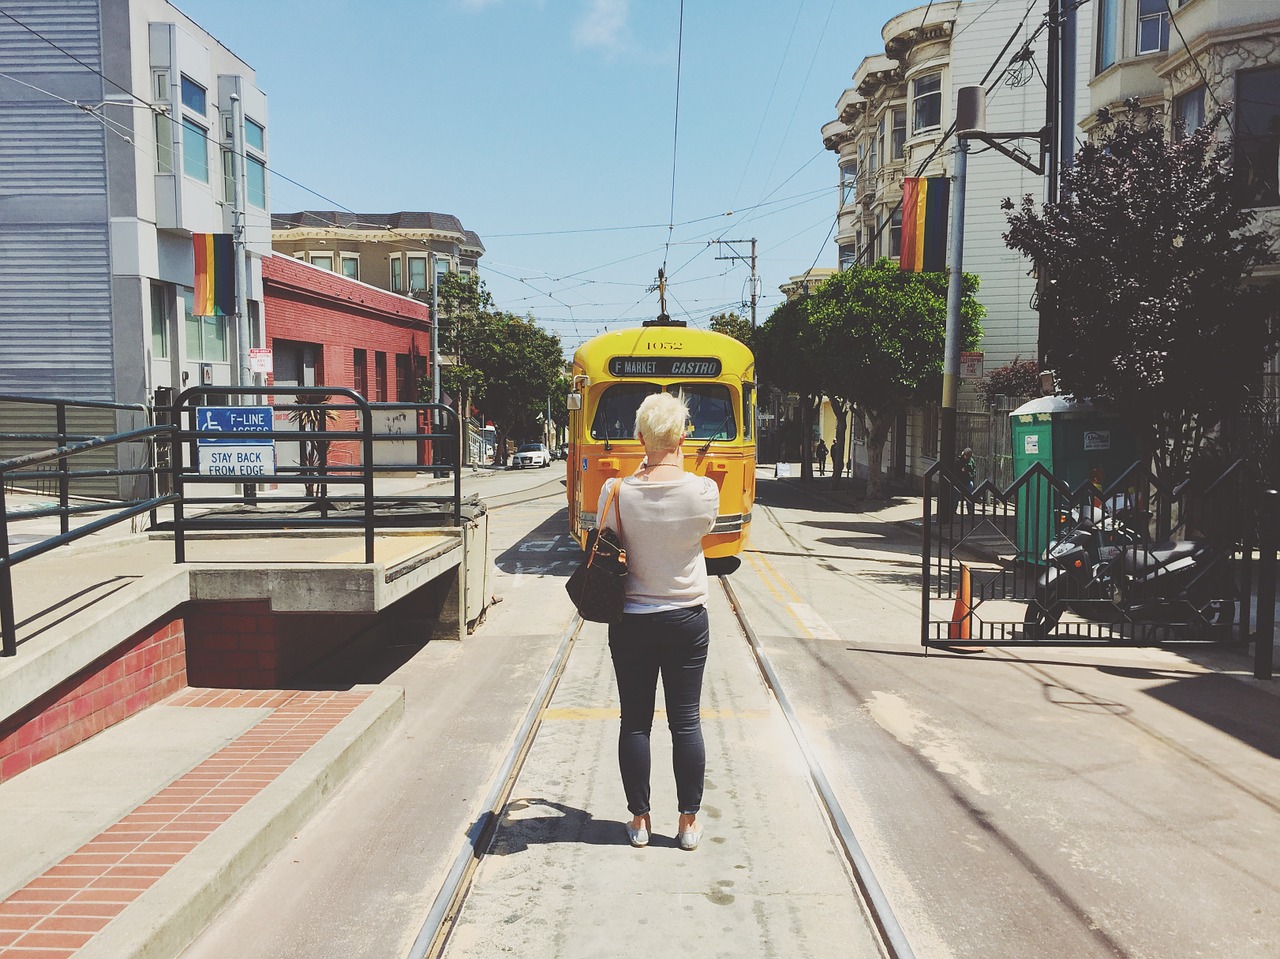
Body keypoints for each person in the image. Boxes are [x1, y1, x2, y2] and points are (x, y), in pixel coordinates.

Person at [597, 392, 719, 852]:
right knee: (685, 722)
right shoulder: (703, 491)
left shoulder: (617, 491)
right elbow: (702, 530)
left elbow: (605, 542)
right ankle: (687, 825)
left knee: (635, 722)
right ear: (684, 435)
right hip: (687, 618)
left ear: (639, 437)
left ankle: (640, 820)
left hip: (630, 620)